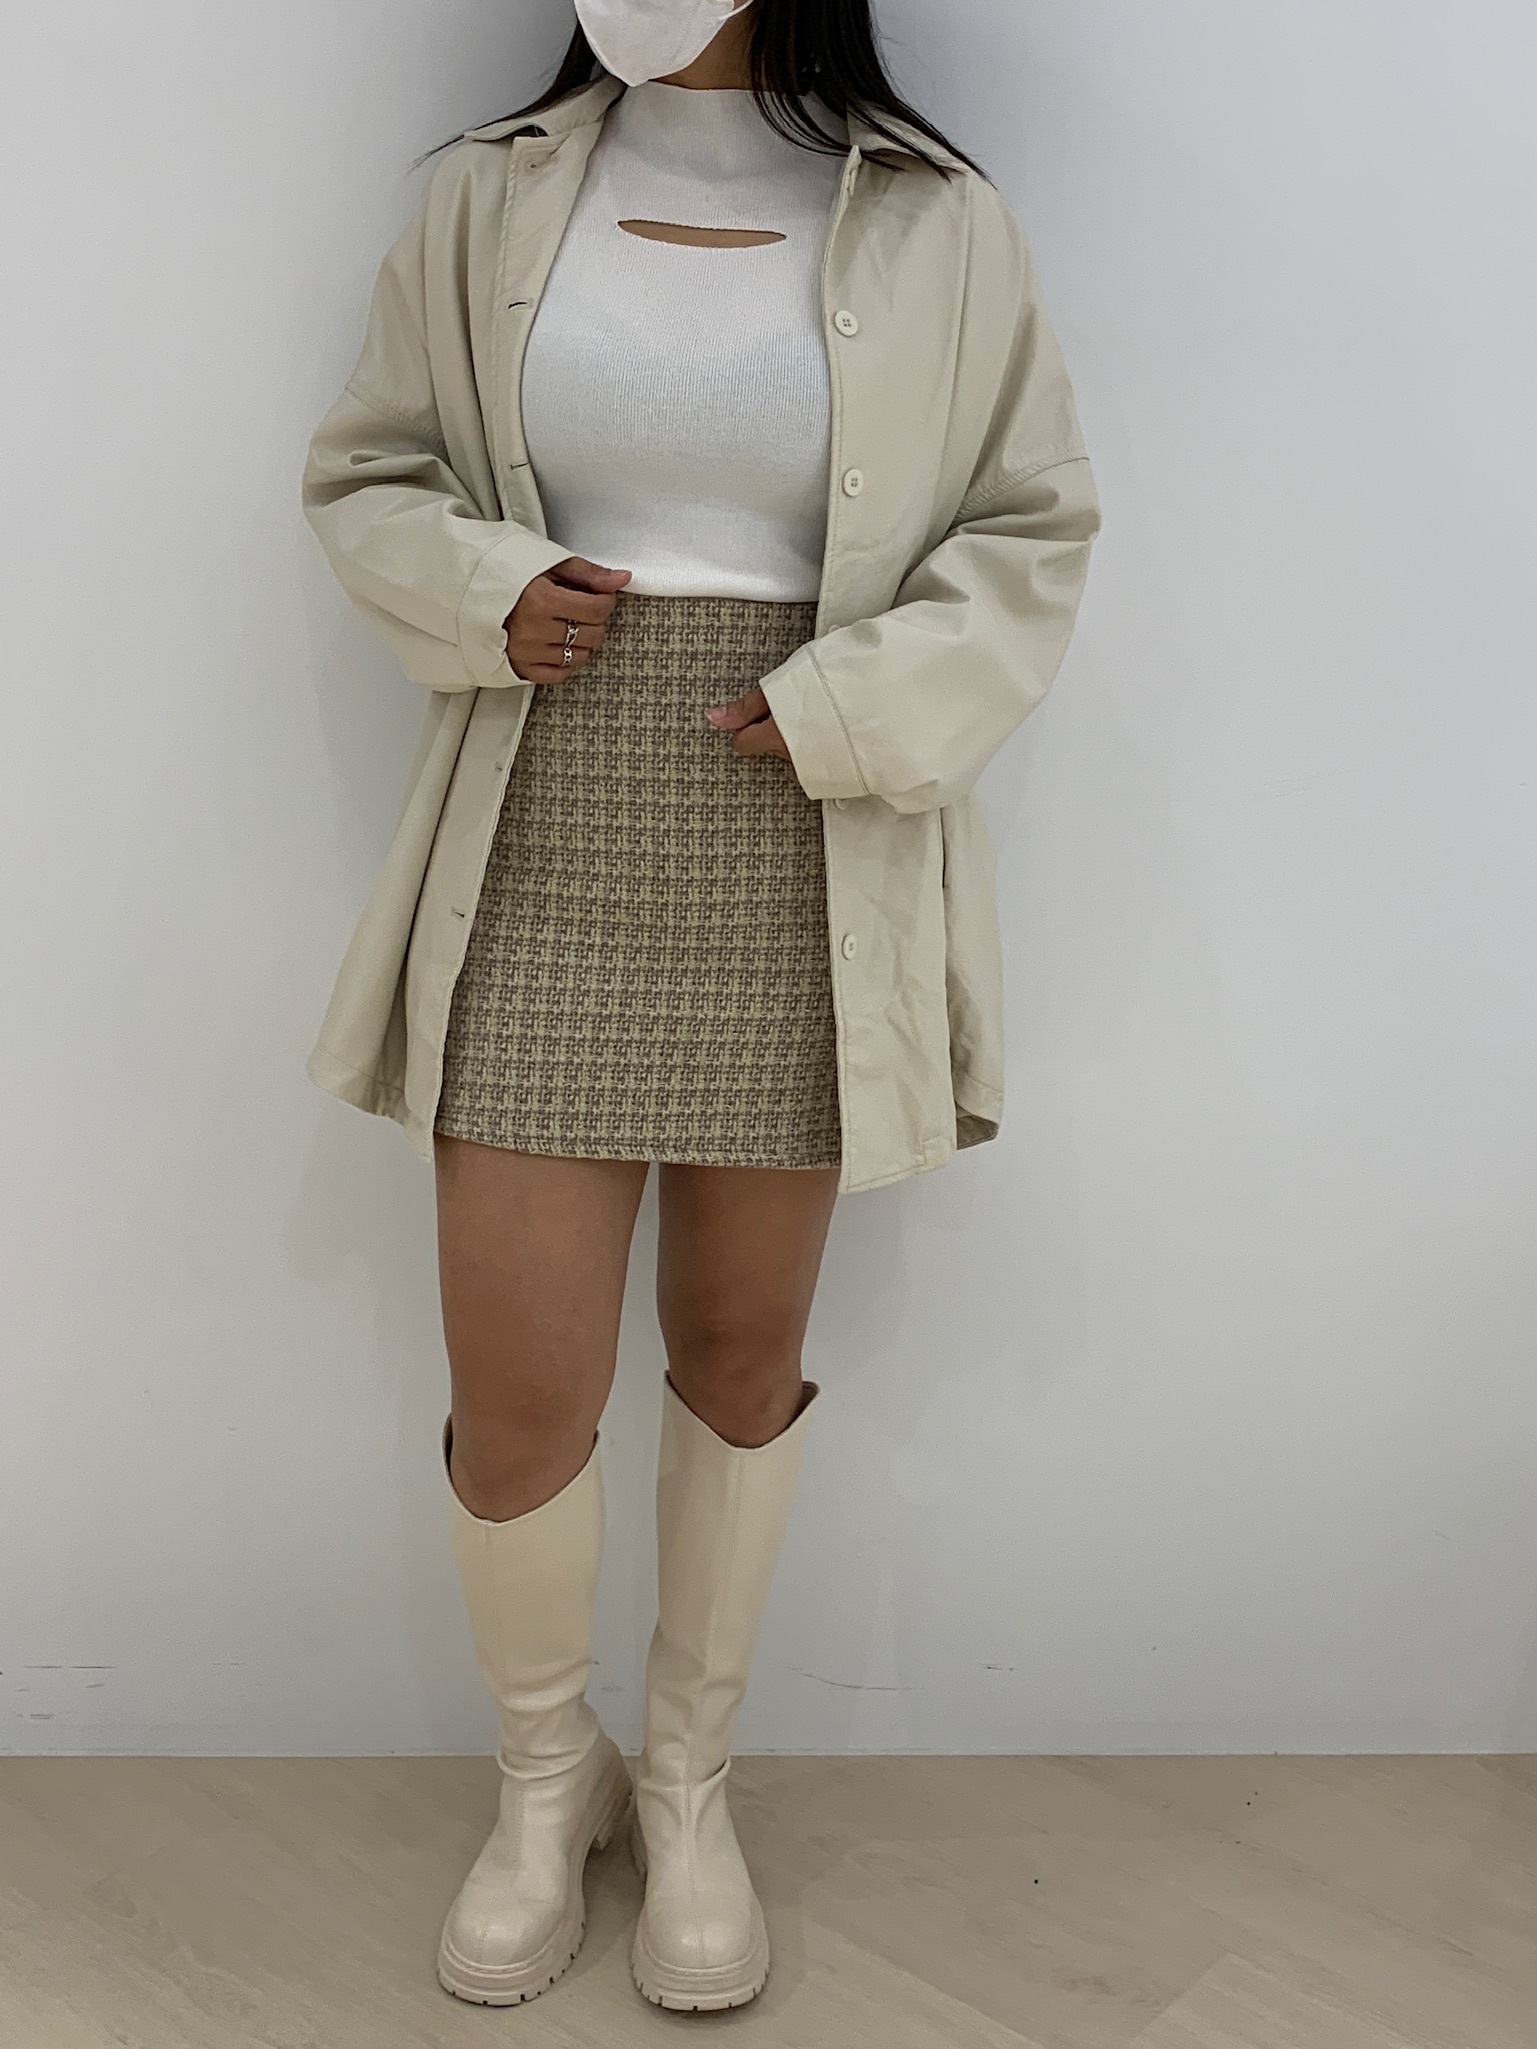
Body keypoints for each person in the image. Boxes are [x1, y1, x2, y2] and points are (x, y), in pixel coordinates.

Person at [301, 0, 1099, 2015]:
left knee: (741, 1360)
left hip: (802, 834)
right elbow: (367, 470)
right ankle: (540, 1783)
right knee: (520, 1394)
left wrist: (852, 700)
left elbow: (1031, 534)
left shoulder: (933, 220)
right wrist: (481, 588)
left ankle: (685, 1784)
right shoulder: (483, 200)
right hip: (538, 824)